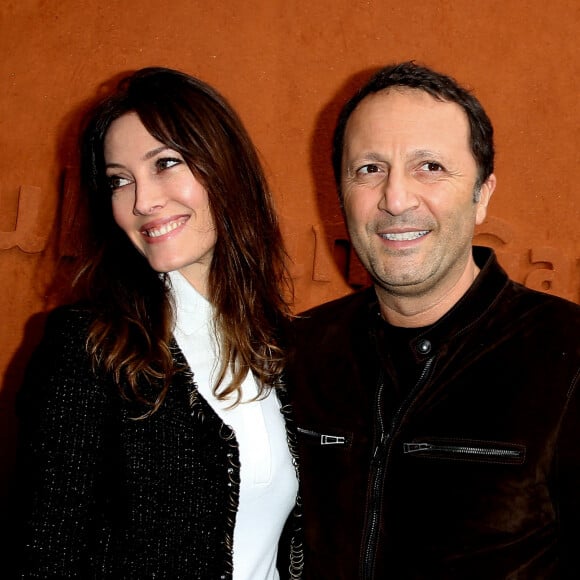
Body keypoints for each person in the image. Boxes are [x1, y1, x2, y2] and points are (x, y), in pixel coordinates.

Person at [286, 61, 580, 579]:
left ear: (482, 194)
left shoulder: (570, 354)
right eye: (369, 169)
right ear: (341, 194)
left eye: (431, 167)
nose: (396, 199)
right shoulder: (296, 352)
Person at [11, 67, 302, 579]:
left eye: (165, 163)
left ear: (224, 168)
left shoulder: (282, 344)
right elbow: (43, 553)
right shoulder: (88, 348)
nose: (141, 201)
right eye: (119, 180)